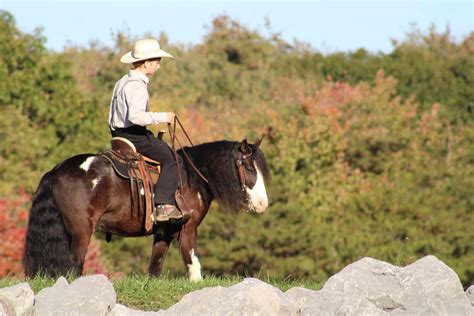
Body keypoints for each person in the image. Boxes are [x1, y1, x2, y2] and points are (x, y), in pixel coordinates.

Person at [108, 38, 182, 222]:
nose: (158, 66)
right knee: (172, 159)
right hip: (134, 135)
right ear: (147, 63)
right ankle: (163, 205)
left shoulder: (123, 81)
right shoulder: (137, 86)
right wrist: (163, 117)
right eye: (157, 62)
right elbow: (135, 116)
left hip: (118, 134)